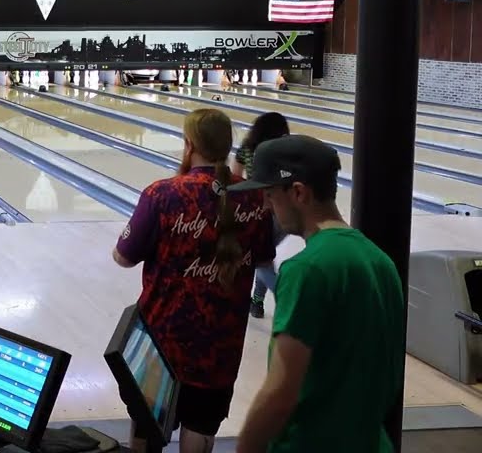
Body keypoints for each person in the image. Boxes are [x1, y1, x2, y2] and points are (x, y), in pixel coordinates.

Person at [114, 108, 276, 453]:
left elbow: (123, 257)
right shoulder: (254, 197)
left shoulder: (162, 195)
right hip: (221, 343)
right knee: (202, 426)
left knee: (147, 424)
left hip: (162, 342)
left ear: (189, 144)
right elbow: (263, 258)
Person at [232, 136, 405, 453]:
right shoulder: (380, 261)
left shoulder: (306, 269)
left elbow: (280, 396)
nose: (267, 206)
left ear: (298, 192)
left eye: (270, 195)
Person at [233, 112, 292, 319]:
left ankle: (287, 299)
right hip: (285, 214)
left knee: (261, 259)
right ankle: (257, 302)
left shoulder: (247, 149)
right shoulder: (284, 152)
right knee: (263, 256)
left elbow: (236, 179)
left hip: (261, 213)